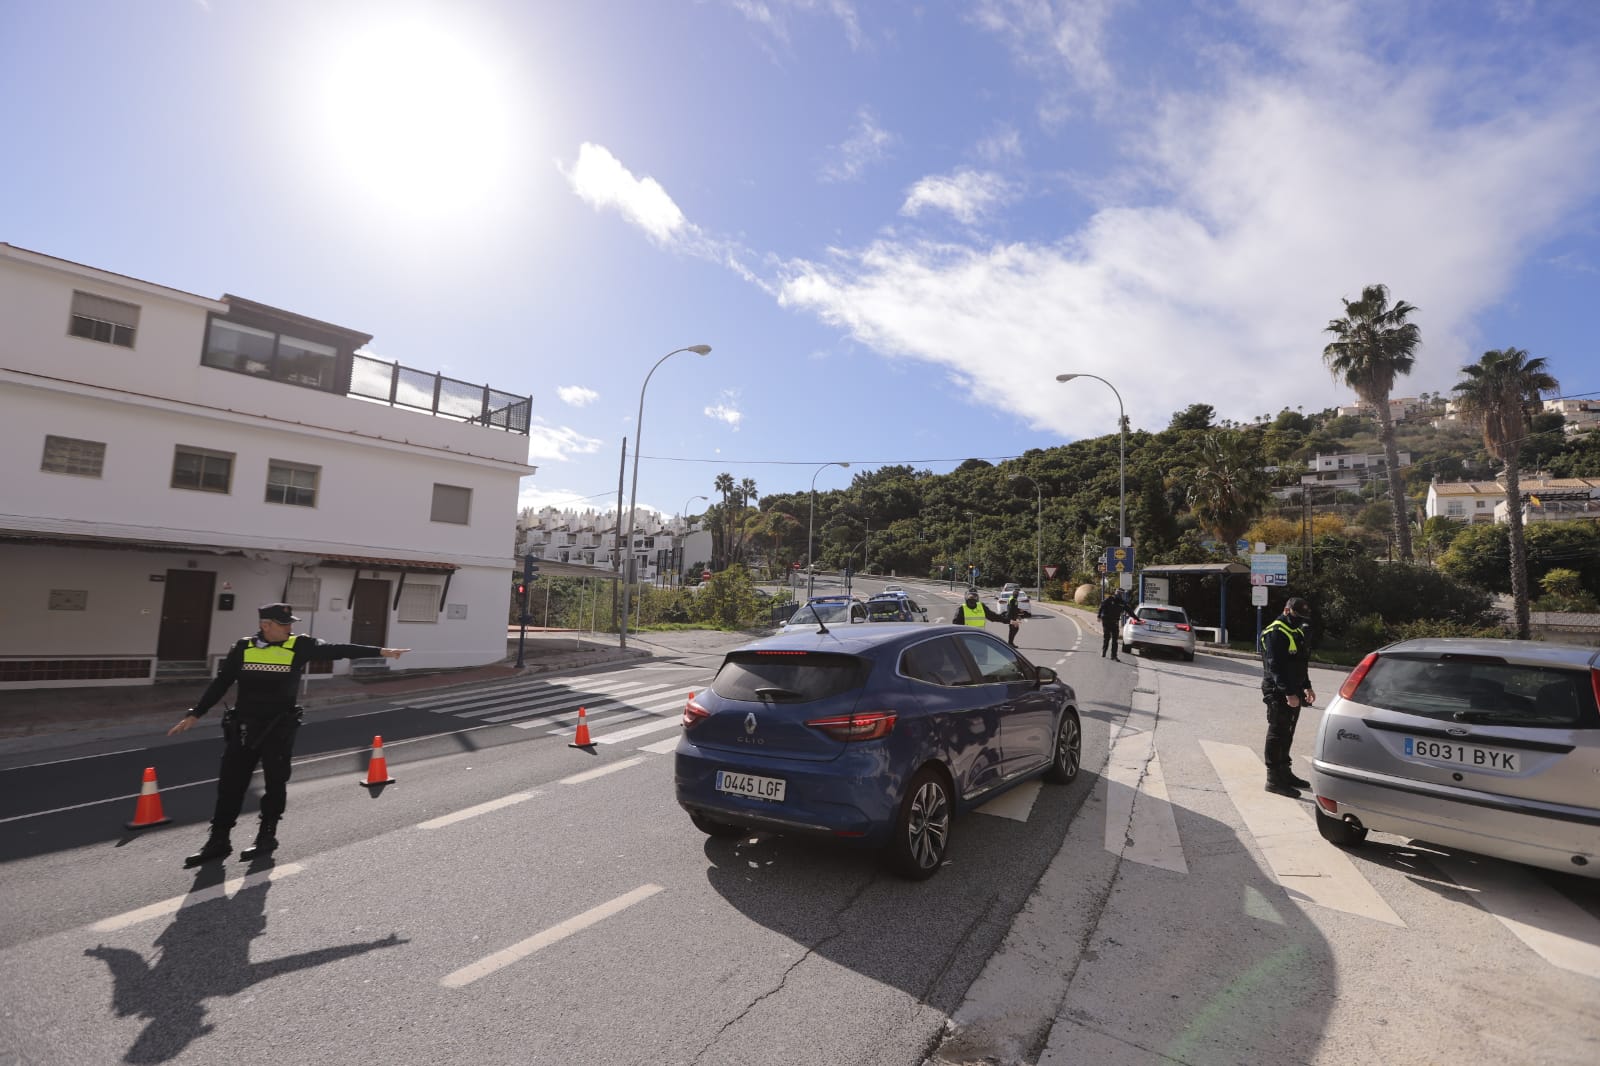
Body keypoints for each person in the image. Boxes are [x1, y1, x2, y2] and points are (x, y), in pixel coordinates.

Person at [168, 603, 410, 867]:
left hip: (277, 728)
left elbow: (338, 650)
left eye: (290, 624)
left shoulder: (299, 645)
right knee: (230, 785)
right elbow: (222, 682)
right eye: (284, 624)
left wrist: (380, 651)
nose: (290, 628)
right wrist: (196, 713)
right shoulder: (243, 648)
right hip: (244, 727)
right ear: (265, 625)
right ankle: (218, 841)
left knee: (275, 784)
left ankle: (266, 836)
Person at [1260, 596, 1315, 797]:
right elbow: (1275, 666)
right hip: (1278, 691)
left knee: (1288, 732)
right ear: (1286, 610)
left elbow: (1299, 662)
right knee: (1277, 733)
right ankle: (1273, 779)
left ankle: (1285, 772)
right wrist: (1288, 693)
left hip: (1294, 690)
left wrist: (1307, 686)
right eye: (1296, 615)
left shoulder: (1296, 631)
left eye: (1302, 616)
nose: (1300, 619)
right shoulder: (1276, 631)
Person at [1097, 588, 1128, 660]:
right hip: (1107, 621)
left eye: (1122, 593)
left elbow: (1124, 610)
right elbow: (1102, 606)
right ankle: (1104, 651)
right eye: (1119, 593)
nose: (1120, 594)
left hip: (1115, 622)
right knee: (1107, 638)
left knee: (1115, 640)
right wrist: (1099, 616)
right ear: (1116, 592)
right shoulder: (1109, 599)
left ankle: (1114, 655)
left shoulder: (1122, 602)